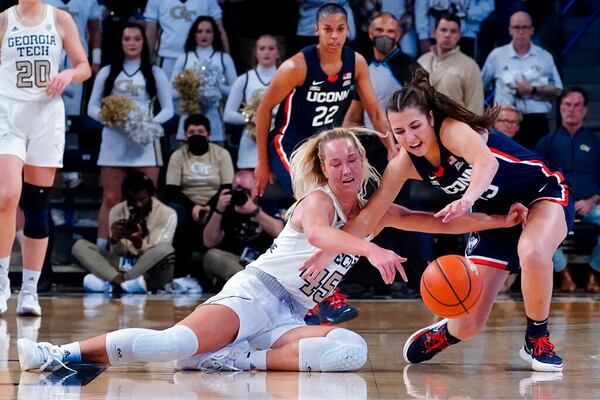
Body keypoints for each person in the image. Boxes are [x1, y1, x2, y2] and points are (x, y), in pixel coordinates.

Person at [17, 126, 525, 373]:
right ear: (325, 171)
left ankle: (235, 360)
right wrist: (371, 252)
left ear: (362, 163)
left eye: (353, 159)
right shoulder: (316, 201)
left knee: (351, 351)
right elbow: (324, 237)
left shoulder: (373, 210)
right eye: (337, 163)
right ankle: (56, 353)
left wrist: (501, 218)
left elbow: (434, 222)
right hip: (253, 296)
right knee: (170, 346)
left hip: (287, 315)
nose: (347, 168)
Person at [302, 70, 573, 372]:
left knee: (533, 251)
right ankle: (445, 332)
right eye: (400, 131)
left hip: (541, 195)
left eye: (415, 126)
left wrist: (467, 200)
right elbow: (370, 216)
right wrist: (330, 250)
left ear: (431, 118)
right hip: (495, 219)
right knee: (468, 325)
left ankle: (537, 340)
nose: (410, 138)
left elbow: (487, 162)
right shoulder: (404, 162)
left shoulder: (452, 131)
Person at [0, 0, 91, 316]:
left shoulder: (60, 19)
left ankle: (29, 290)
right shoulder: (3, 20)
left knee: (37, 205)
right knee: (7, 195)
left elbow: (84, 66)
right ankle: (1, 283)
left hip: (46, 115)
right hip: (8, 114)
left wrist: (68, 74)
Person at [254, 2, 397, 198]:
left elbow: (374, 112)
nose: (334, 36)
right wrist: (262, 162)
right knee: (313, 200)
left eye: (340, 29)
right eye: (327, 29)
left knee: (348, 200)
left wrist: (391, 147)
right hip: (291, 146)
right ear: (317, 30)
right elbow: (263, 109)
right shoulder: (296, 67)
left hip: (325, 145)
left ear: (348, 29)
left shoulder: (356, 62)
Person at [88, 22, 173, 252]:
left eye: (137, 39)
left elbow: (168, 109)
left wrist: (146, 124)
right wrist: (111, 119)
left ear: (144, 43)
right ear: (120, 42)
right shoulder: (107, 72)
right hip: (114, 142)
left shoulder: (155, 72)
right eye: (127, 39)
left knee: (147, 202)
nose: (132, 43)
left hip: (144, 144)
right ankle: (103, 250)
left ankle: (147, 249)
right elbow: (92, 107)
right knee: (110, 198)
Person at [535, 87, 600, 294]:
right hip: (559, 204)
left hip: (592, 205)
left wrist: (593, 199)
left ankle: (594, 271)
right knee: (540, 226)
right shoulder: (546, 142)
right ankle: (563, 271)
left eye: (577, 105)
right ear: (560, 108)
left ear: (585, 109)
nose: (571, 109)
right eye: (567, 105)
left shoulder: (595, 141)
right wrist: (560, 201)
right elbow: (538, 179)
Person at [72, 171, 177, 294]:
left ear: (150, 194)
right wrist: (115, 240)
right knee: (80, 246)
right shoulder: (117, 211)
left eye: (142, 199)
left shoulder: (167, 213)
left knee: (166, 249)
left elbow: (158, 254)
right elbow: (117, 253)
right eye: (133, 200)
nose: (138, 204)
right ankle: (122, 283)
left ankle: (114, 283)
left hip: (148, 269)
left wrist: (137, 242)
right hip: (122, 263)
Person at [165, 114, 234, 277]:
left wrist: (210, 207)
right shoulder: (177, 156)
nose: (196, 135)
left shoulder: (222, 154)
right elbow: (172, 190)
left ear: (209, 134)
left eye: (201, 131)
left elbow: (227, 186)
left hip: (215, 203)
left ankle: (222, 269)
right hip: (186, 205)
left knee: (230, 207)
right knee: (174, 212)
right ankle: (180, 274)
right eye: (191, 132)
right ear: (185, 135)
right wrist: (194, 207)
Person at [481, 11, 562, 150]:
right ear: (510, 30)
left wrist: (533, 90)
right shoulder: (497, 56)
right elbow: (481, 86)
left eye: (525, 27)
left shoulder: (545, 56)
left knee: (537, 163)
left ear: (532, 30)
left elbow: (558, 90)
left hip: (535, 121)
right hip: (504, 120)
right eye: (517, 27)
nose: (521, 31)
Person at [202, 169, 285, 287]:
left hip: (261, 264)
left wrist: (254, 211)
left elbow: (280, 232)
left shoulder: (265, 203)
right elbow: (209, 242)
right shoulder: (226, 205)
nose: (241, 194)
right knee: (211, 256)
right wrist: (218, 210)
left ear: (256, 189)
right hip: (235, 262)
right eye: (237, 190)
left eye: (246, 191)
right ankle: (251, 285)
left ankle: (250, 284)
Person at [343, 12, 421, 131]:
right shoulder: (365, 67)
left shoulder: (410, 68)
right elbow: (354, 115)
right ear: (370, 32)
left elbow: (422, 112)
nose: (384, 35)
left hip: (399, 141)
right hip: (370, 141)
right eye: (379, 30)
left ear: (398, 36)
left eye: (390, 31)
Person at [172, 16, 237, 145]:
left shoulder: (224, 58)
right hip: (188, 120)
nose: (204, 35)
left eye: (208, 31)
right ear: (193, 34)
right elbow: (171, 92)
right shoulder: (184, 58)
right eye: (200, 31)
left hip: (215, 122)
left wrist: (217, 88)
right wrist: (189, 90)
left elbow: (236, 91)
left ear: (215, 34)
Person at [224, 35, 280, 170]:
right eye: (262, 48)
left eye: (271, 48)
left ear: (277, 53)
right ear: (255, 52)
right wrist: (251, 117)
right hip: (250, 144)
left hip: (277, 144)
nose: (266, 52)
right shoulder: (244, 79)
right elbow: (228, 115)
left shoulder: (286, 78)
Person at [417, 12, 483, 115]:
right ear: (434, 32)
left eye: (453, 31)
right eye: (443, 30)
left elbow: (476, 107)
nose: (448, 35)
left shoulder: (470, 66)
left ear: (459, 35)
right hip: (424, 125)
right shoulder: (421, 62)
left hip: (454, 127)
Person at [144, 0, 229, 79]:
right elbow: (150, 33)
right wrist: (146, 62)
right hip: (167, 58)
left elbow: (219, 29)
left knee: (202, 93)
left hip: (200, 59)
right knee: (166, 94)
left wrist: (226, 59)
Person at [45, 0, 102, 115]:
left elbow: (95, 29)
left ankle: (71, 131)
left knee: (74, 107)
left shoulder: (89, 2)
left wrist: (96, 60)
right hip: (47, 56)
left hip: (77, 59)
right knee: (46, 102)